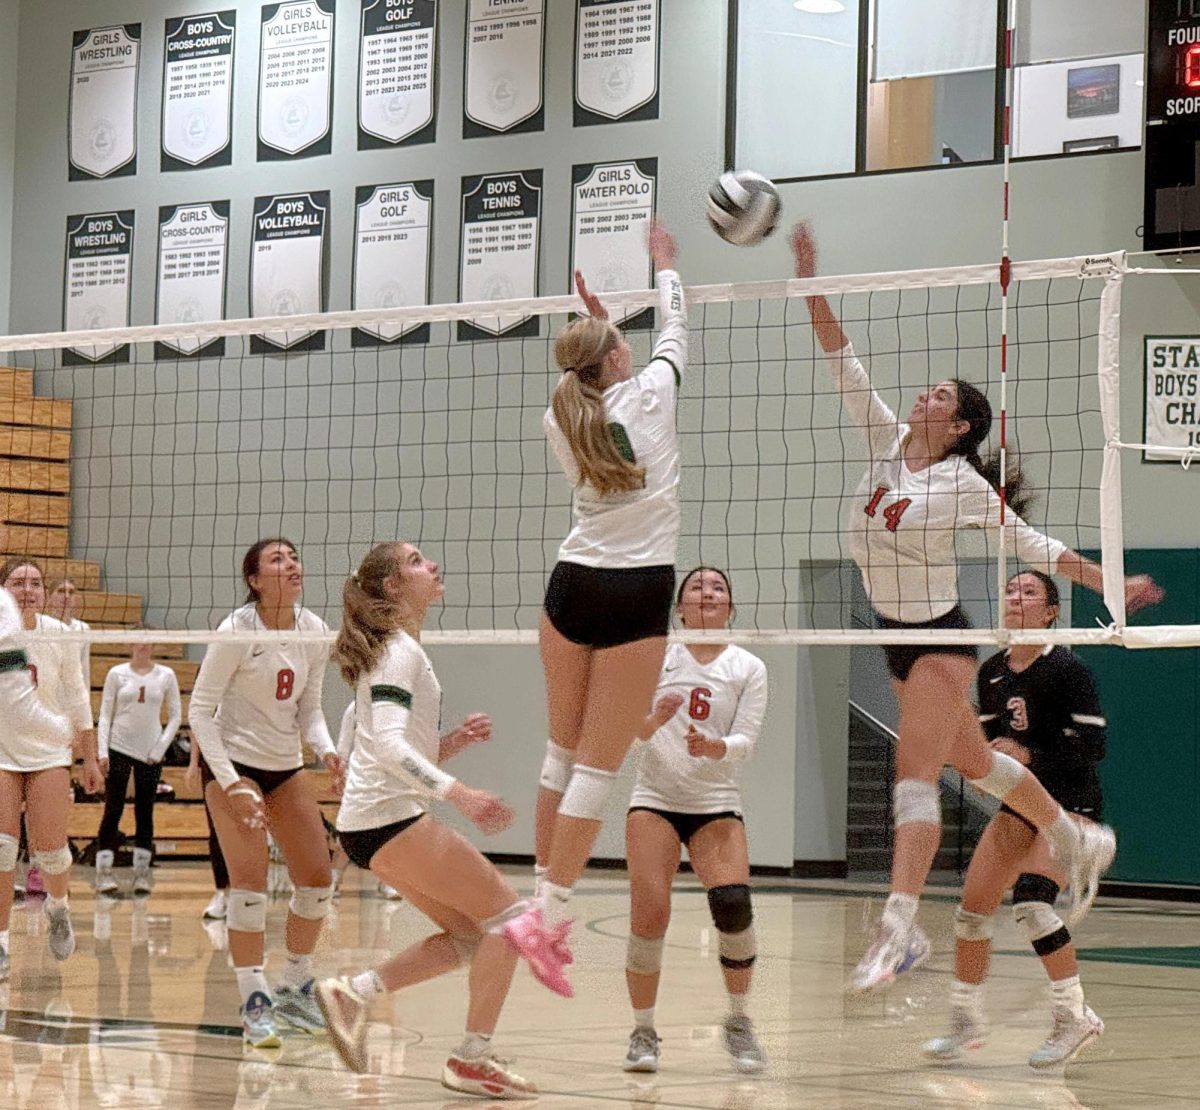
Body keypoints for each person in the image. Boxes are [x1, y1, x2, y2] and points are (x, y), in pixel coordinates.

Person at [790, 223, 1163, 993]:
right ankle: (1075, 836)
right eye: (928, 390)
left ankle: (899, 928)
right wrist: (807, 279)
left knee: (914, 771)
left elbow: (1035, 547)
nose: (925, 394)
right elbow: (841, 359)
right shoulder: (887, 444)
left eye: (942, 396)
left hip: (939, 640)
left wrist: (1109, 583)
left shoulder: (960, 482)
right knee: (977, 762)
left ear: (959, 426)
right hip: (894, 637)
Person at [509, 219, 687, 995]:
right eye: (620, 342)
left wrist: (600, 321)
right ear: (617, 357)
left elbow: (598, 367)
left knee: (560, 753)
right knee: (598, 768)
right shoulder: (650, 392)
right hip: (636, 589)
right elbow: (678, 326)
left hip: (571, 584)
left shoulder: (561, 413)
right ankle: (545, 920)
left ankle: (541, 901)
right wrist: (668, 271)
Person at [314, 541, 542, 1099]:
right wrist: (460, 794)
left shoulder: (402, 649)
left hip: (373, 825)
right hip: (389, 820)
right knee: (511, 921)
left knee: (468, 934)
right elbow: (389, 747)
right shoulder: (399, 651)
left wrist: (452, 745)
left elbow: (387, 748)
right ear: (392, 587)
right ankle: (473, 1058)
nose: (433, 565)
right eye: (416, 562)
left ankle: (356, 992)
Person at [925, 571, 1108, 1067]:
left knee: (1033, 908)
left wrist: (1029, 758)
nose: (1015, 598)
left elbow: (1094, 746)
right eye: (1010, 590)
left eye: (1029, 592)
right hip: (1017, 807)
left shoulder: (1067, 669)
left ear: (1051, 612)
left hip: (1068, 802)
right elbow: (988, 754)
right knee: (972, 912)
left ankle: (1075, 1016)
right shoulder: (991, 674)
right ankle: (965, 1018)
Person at [187, 537, 344, 1046]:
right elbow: (198, 713)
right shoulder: (235, 631)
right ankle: (255, 1001)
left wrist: (327, 751)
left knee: (318, 879)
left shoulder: (315, 630)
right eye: (278, 559)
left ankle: (296, 986)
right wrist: (230, 784)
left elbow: (310, 710)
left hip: (284, 764)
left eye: (295, 556)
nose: (292, 564)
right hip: (233, 765)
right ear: (255, 580)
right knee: (250, 886)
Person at [622, 566, 769, 1075]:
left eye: (719, 587)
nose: (708, 592)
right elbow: (627, 733)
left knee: (733, 907)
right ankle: (643, 1031)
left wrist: (717, 746)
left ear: (730, 606)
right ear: (680, 607)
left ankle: (738, 1020)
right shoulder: (657, 656)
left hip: (716, 800)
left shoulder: (748, 666)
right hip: (655, 797)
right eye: (696, 588)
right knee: (649, 914)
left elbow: (747, 742)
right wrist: (652, 722)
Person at [0, 558, 101, 981]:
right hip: (3, 750)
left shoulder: (59, 634)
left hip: (49, 753)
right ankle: (1, 941)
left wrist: (91, 757)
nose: (28, 590)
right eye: (18, 582)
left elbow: (78, 696)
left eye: (35, 583)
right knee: (2, 850)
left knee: (51, 851)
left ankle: (58, 907)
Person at [93, 635, 183, 895]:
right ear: (129, 644)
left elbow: (177, 716)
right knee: (114, 807)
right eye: (137, 640)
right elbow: (105, 714)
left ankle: (142, 875)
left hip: (150, 751)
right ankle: (103, 873)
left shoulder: (166, 674)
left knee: (145, 810)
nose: (143, 645)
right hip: (119, 747)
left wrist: (160, 747)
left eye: (147, 641)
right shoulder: (116, 674)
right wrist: (102, 751)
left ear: (154, 645)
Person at [185, 737, 230, 921]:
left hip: (244, 756)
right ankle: (222, 893)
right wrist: (193, 763)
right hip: (212, 759)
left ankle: (243, 893)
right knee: (216, 828)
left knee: (243, 828)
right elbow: (197, 717)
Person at [44, 576, 90, 690]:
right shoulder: (40, 625)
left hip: (71, 693)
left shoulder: (82, 629)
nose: (66, 596)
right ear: (48, 597)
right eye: (60, 591)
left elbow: (84, 669)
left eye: (71, 592)